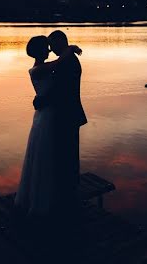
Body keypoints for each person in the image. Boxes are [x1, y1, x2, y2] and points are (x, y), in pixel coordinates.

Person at [14, 34, 83, 219]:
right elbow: (59, 64)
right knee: (46, 156)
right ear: (40, 51)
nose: (50, 49)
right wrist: (70, 48)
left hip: (51, 114)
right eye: (47, 47)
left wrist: (70, 49)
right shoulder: (38, 69)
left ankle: (55, 194)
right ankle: (46, 197)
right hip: (47, 117)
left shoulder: (47, 66)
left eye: (51, 45)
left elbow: (60, 67)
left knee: (48, 156)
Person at [34, 29, 87, 217]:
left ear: (60, 42)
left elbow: (62, 91)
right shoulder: (67, 60)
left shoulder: (68, 62)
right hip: (66, 113)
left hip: (67, 113)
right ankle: (67, 189)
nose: (50, 48)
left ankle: (69, 192)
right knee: (66, 152)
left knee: (68, 152)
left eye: (52, 44)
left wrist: (42, 100)